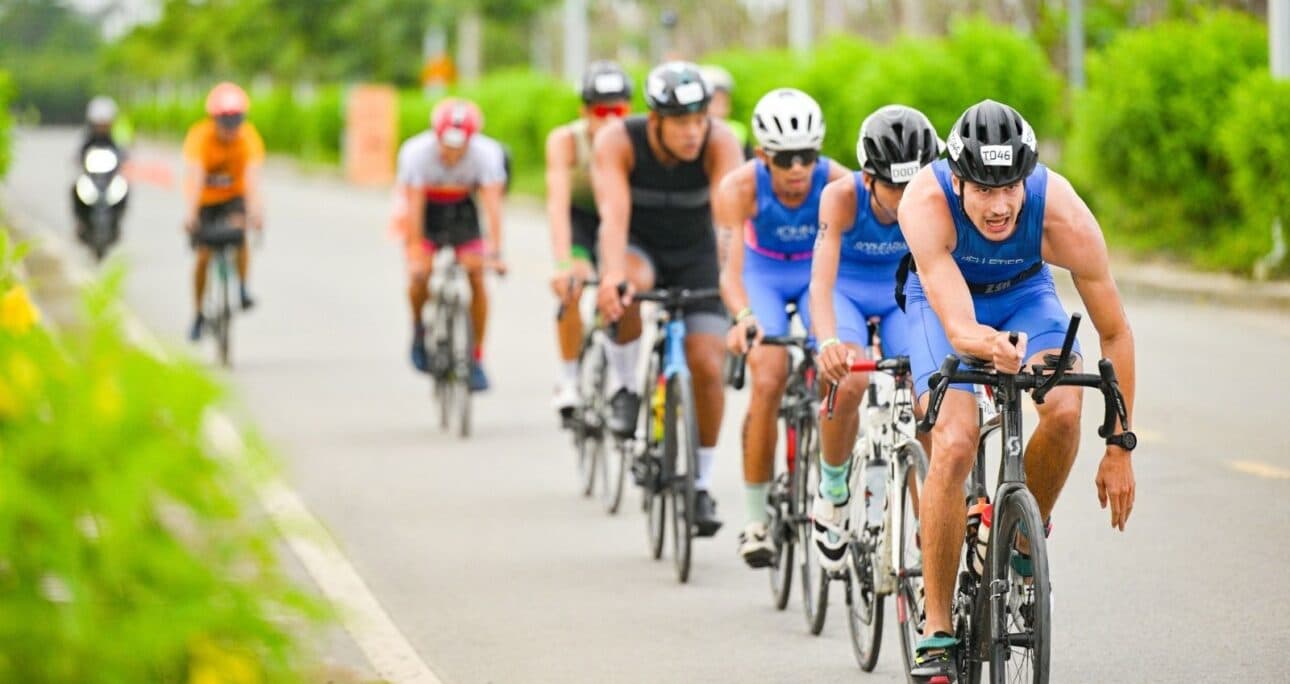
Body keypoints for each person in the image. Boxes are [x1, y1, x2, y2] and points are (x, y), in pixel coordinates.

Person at [896, 99, 1137, 681]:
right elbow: (958, 327)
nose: (1001, 205)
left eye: (1011, 187)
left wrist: (1121, 445)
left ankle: (1024, 546)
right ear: (957, 179)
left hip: (1025, 295)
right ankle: (936, 623)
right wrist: (986, 346)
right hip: (943, 301)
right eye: (983, 188)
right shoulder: (924, 203)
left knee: (1064, 405)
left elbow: (1114, 332)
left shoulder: (1064, 217)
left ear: (1027, 176)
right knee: (952, 441)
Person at [593, 61, 745, 535]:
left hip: (697, 253)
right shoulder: (618, 140)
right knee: (629, 289)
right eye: (682, 122)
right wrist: (612, 276)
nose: (694, 132)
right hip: (640, 248)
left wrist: (731, 286)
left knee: (707, 361)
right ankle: (625, 386)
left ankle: (698, 483)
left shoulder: (720, 142)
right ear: (655, 119)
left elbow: (730, 221)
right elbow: (613, 216)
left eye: (700, 119)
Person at [715, 88, 847, 566]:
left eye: (807, 156)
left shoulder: (836, 181)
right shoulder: (739, 188)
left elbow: (848, 267)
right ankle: (755, 522)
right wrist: (744, 317)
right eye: (785, 158)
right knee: (767, 377)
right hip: (762, 275)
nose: (797, 169)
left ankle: (833, 483)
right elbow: (729, 271)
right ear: (761, 156)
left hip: (814, 277)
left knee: (839, 366)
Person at [808, 105, 941, 573]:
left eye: (914, 184)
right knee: (850, 380)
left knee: (931, 396)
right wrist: (827, 344)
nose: (907, 199)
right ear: (868, 178)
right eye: (894, 188)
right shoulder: (839, 197)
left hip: (902, 293)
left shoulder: (937, 193)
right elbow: (821, 284)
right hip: (846, 291)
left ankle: (932, 522)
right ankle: (834, 489)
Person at [396, 97, 508, 392]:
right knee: (419, 275)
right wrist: (416, 253)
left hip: (462, 209)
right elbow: (413, 208)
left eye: (460, 146)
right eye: (447, 144)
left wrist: (495, 253)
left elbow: (492, 205)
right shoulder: (416, 153)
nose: (452, 152)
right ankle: (420, 329)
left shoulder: (487, 154)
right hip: (427, 210)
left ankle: (476, 358)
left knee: (477, 278)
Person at [546, 61, 633, 421]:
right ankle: (568, 378)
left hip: (622, 220)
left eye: (619, 109)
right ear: (585, 111)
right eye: (601, 110)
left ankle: (620, 378)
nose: (611, 118)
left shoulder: (633, 139)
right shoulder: (567, 141)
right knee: (573, 286)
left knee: (624, 293)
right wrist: (564, 263)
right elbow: (557, 203)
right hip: (582, 220)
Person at [182, 82, 264, 341]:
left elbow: (253, 178)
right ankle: (198, 314)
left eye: (236, 119)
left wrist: (255, 212)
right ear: (214, 118)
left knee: (240, 235)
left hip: (234, 198)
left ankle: (241, 287)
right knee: (203, 256)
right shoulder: (200, 136)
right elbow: (195, 175)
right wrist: (191, 213)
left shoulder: (248, 137)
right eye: (225, 120)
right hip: (206, 200)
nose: (231, 126)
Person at [699, 64, 750, 158]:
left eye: (723, 102)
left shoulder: (738, 131)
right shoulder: (693, 133)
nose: (719, 109)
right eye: (713, 101)